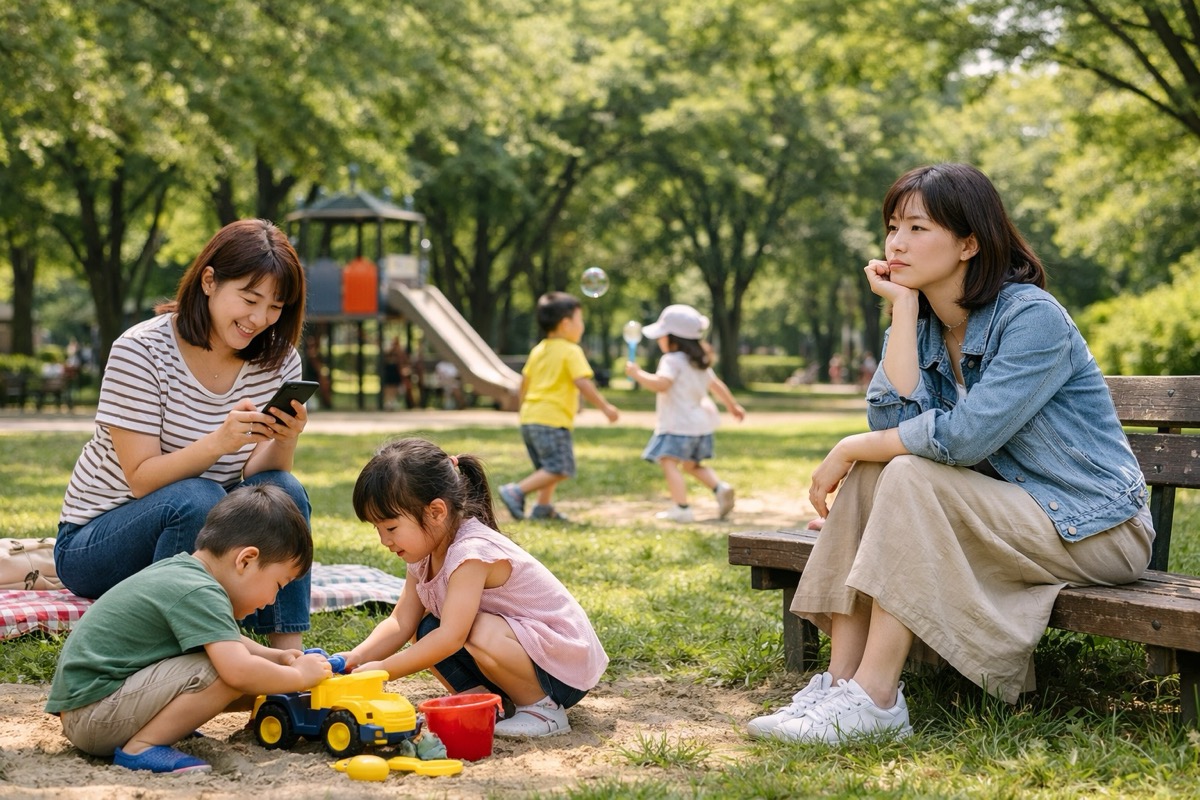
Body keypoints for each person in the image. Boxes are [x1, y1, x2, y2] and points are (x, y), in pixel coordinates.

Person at [747, 163, 1153, 744]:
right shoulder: (924, 319)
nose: (897, 243)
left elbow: (963, 440)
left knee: (903, 470)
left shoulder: (1031, 318)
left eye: (918, 228)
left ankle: (877, 699)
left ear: (969, 242)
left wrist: (848, 445)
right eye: (892, 227)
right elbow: (894, 426)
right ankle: (840, 687)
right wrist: (904, 314)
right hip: (1013, 515)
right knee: (875, 471)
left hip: (1094, 526)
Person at [54, 218, 314, 651]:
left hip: (204, 532)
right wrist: (219, 441)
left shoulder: (279, 361)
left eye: (275, 307)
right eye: (249, 299)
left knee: (283, 490)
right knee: (198, 497)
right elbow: (141, 478)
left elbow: (258, 477)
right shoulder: (141, 351)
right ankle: (178, 653)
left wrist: (284, 437)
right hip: (95, 543)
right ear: (209, 281)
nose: (260, 319)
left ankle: (287, 653)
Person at [45, 485, 332, 775]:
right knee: (225, 672)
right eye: (278, 586)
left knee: (236, 668)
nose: (272, 600)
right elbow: (237, 671)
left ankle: (162, 728)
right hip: (96, 716)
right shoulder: (199, 590)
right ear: (245, 560)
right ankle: (142, 745)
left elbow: (229, 639)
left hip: (93, 708)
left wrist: (276, 657)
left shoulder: (187, 574)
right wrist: (297, 676)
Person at [340, 438, 608, 738]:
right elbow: (400, 621)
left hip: (561, 667)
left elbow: (453, 637)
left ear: (436, 512)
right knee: (423, 627)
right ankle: (485, 702)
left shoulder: (471, 552)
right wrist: (354, 659)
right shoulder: (425, 554)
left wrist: (384, 670)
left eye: (390, 528)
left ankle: (543, 709)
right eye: (377, 529)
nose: (384, 540)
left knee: (471, 629)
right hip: (526, 655)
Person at [498, 291, 619, 521]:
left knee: (547, 468)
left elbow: (525, 381)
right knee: (560, 467)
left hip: (531, 418)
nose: (582, 326)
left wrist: (524, 408)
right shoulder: (571, 350)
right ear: (565, 324)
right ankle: (516, 491)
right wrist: (605, 407)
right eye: (580, 320)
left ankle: (543, 508)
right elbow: (582, 381)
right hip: (551, 419)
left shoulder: (539, 349)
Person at [624, 304, 745, 522]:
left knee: (668, 462)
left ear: (673, 338)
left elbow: (662, 384)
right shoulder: (698, 361)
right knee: (692, 465)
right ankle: (720, 488)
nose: (659, 339)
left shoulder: (671, 360)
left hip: (677, 424)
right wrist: (732, 406)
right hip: (700, 425)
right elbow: (716, 385)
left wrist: (638, 374)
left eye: (662, 335)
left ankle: (682, 508)